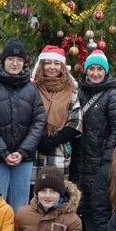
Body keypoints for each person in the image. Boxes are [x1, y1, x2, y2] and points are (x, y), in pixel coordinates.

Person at [0, 39, 46, 207]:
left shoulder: (31, 89)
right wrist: (3, 152)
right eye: (10, 59)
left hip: (22, 159)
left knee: (19, 208)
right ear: (3, 61)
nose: (15, 63)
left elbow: (38, 121)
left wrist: (22, 151)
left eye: (19, 60)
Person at [75, 49, 116, 231]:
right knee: (82, 202)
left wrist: (107, 154)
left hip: (100, 157)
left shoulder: (111, 93)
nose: (95, 73)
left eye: (99, 69)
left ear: (106, 72)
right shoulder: (80, 91)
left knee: (98, 202)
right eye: (91, 69)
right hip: (80, 156)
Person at [30, 45, 81, 177]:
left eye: (57, 63)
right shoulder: (31, 88)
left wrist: (54, 140)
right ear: (42, 65)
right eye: (48, 63)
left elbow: (76, 122)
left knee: (55, 191)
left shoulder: (71, 90)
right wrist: (39, 139)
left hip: (58, 152)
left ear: (62, 66)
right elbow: (23, 117)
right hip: (33, 151)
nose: (52, 67)